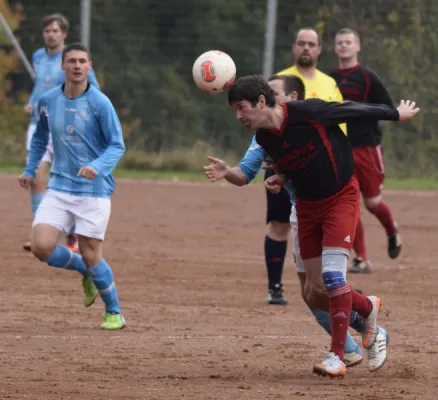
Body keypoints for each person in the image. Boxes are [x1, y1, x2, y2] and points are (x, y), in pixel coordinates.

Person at [227, 74, 419, 377]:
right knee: (315, 292)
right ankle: (368, 310)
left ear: (262, 101)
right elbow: (295, 161)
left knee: (331, 277)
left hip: (340, 199)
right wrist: (282, 176)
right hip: (305, 208)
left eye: (241, 108)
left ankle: (337, 356)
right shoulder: (265, 138)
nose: (238, 116)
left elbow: (353, 109)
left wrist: (395, 113)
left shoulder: (308, 112)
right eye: (235, 110)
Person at [18, 43, 126, 330]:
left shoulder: (100, 103)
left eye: (82, 61)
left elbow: (117, 145)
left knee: (93, 254)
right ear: (62, 66)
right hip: (59, 188)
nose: (77, 66)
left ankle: (114, 311)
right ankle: (84, 271)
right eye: (72, 61)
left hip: (94, 190)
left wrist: (97, 167)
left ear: (90, 66)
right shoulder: (48, 100)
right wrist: (30, 170)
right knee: (41, 247)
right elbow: (40, 139)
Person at [258, 28, 345, 305]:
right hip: (285, 161)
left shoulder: (330, 84)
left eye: (312, 44)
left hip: (320, 165)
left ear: (320, 50)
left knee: (320, 228)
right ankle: (275, 287)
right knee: (279, 223)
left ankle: (320, 286)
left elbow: (340, 122)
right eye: (302, 44)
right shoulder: (280, 80)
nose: (306, 48)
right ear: (294, 48)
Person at [23, 13, 100, 252]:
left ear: (64, 34)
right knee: (36, 178)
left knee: (71, 178)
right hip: (41, 124)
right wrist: (32, 102)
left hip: (66, 127)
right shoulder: (37, 55)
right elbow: (40, 86)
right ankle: (41, 231)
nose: (51, 35)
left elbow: (92, 90)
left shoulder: (73, 60)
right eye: (47, 31)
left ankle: (74, 237)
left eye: (56, 31)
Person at [331, 28, 401, 273]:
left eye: (348, 42)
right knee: (350, 204)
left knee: (372, 202)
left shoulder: (368, 77)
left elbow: (389, 107)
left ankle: (392, 231)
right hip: (341, 149)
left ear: (357, 47)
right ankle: (361, 258)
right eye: (340, 42)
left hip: (368, 147)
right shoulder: (329, 78)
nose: (344, 46)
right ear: (334, 47)